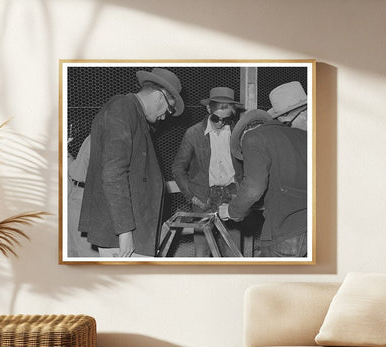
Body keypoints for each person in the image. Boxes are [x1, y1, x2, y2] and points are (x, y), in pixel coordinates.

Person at [79, 68, 185, 257]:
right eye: (168, 110)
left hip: (133, 230)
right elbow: (113, 173)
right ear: (159, 97)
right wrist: (124, 231)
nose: (165, 117)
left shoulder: (133, 113)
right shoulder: (122, 108)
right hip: (123, 235)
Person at [219, 107, 308, 257]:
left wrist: (231, 210)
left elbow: (253, 188)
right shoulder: (301, 136)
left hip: (286, 231)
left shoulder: (252, 137)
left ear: (244, 135)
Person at [172, 87, 245, 257]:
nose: (220, 123)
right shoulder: (193, 133)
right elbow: (178, 167)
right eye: (216, 118)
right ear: (208, 110)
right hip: (203, 198)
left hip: (232, 196)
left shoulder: (238, 133)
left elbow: (248, 164)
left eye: (226, 120)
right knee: (202, 253)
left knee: (233, 252)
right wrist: (192, 197)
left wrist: (242, 193)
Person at [67, 135, 99, 257]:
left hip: (81, 197)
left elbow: (75, 171)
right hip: (80, 196)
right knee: (80, 252)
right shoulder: (96, 135)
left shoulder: (95, 136)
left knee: (81, 252)